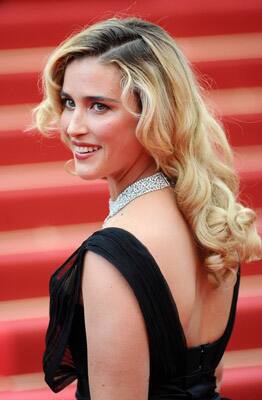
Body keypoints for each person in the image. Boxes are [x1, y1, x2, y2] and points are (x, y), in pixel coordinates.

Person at [34, 17, 261, 400]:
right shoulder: (206, 215)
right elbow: (210, 377)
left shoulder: (115, 253)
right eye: (69, 102)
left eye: (99, 107)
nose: (73, 126)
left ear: (154, 115)